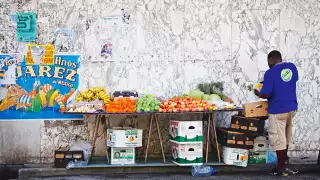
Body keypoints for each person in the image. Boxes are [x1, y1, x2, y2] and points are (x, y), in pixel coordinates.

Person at [254, 50, 299, 177]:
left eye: (268, 62)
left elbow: (266, 94)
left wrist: (258, 93)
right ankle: (283, 165)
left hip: (277, 110)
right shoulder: (292, 67)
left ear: (271, 60)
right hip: (291, 108)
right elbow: (287, 82)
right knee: (286, 137)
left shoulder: (270, 73)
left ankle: (281, 169)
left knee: (279, 140)